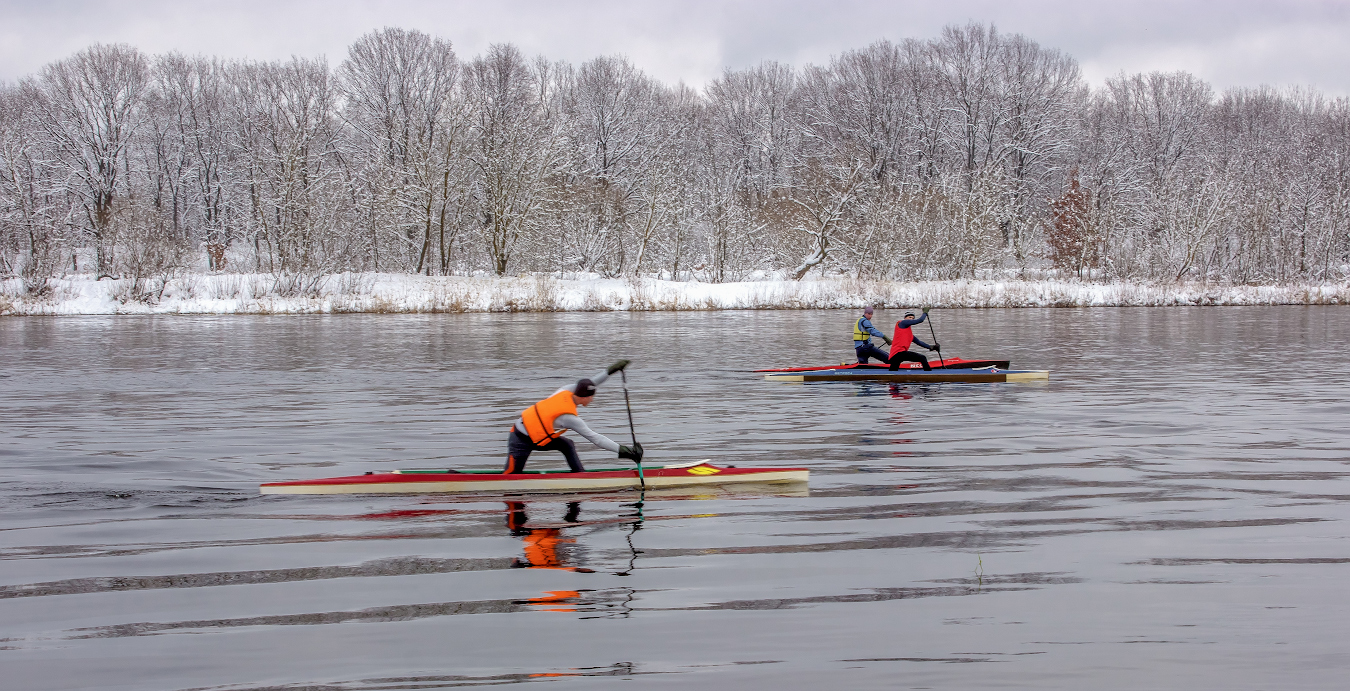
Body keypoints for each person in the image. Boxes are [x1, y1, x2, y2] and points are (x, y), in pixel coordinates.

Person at [506, 360, 643, 474]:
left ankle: (579, 475)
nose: (592, 400)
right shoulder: (569, 418)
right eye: (591, 397)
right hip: (520, 440)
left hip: (534, 435)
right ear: (585, 397)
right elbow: (596, 439)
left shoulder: (568, 389)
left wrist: (611, 371)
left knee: (567, 445)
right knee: (510, 477)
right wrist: (625, 451)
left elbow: (591, 383)